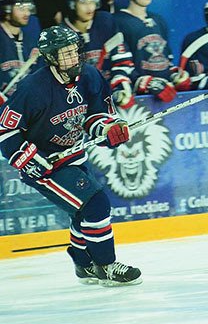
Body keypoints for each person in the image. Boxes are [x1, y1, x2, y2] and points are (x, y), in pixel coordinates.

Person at [0, 25, 141, 286]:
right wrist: (29, 159)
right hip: (45, 165)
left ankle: (83, 263)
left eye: (74, 51)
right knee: (96, 204)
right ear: (51, 57)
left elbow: (96, 116)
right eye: (65, 54)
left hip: (73, 156)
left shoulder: (90, 75)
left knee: (82, 213)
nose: (73, 57)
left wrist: (108, 129)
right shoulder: (33, 88)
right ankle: (106, 266)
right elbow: (5, 130)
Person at [114, 0, 190, 103]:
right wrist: (146, 83)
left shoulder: (159, 20)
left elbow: (166, 60)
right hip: (136, 99)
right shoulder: (118, 22)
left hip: (165, 94)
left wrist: (176, 75)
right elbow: (119, 66)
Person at [61, 0, 134, 108]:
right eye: (83, 2)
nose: (90, 7)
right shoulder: (61, 35)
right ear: (72, 4)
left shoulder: (105, 22)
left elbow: (122, 59)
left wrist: (119, 85)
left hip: (110, 95)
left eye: (92, 1)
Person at [0, 0, 39, 104]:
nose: (27, 13)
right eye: (21, 8)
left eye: (28, 8)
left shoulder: (32, 42)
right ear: (6, 9)